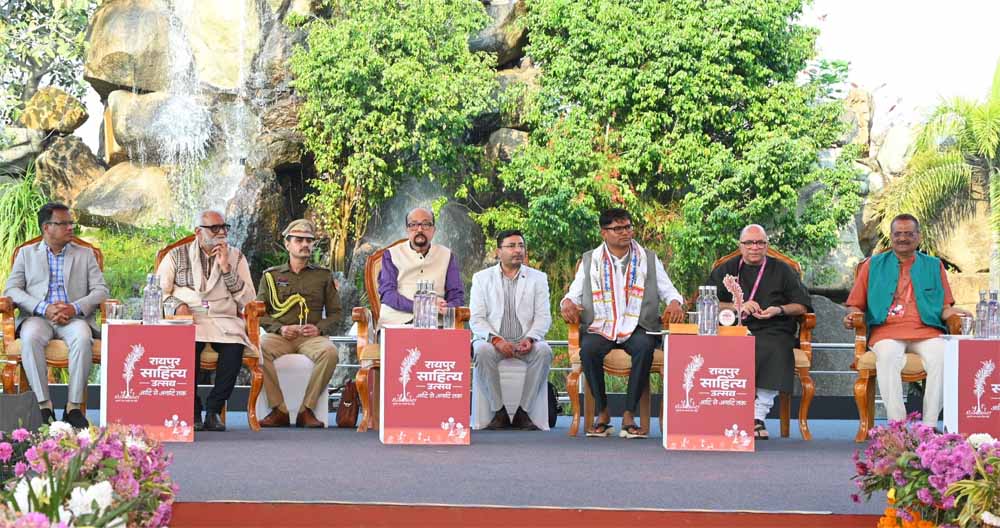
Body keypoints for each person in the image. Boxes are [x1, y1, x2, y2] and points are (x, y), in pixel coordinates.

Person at [560, 208, 685, 439]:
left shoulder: (648, 258)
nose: (625, 232)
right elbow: (573, 295)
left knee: (645, 347)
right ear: (604, 233)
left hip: (638, 325)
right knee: (588, 350)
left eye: (627, 227)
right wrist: (566, 302)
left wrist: (676, 303)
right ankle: (603, 412)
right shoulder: (591, 260)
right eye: (618, 228)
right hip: (602, 325)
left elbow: (670, 291)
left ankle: (629, 414)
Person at [842, 213, 970, 426]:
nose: (903, 238)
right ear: (891, 236)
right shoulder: (872, 265)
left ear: (918, 236)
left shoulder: (933, 265)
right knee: (888, 356)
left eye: (909, 234)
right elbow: (855, 304)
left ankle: (929, 427)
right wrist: (852, 316)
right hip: (886, 332)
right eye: (898, 234)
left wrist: (959, 315)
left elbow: (944, 308)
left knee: (943, 355)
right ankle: (898, 427)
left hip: (927, 331)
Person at [3, 202, 108, 428]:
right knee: (30, 337)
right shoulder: (26, 254)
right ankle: (44, 406)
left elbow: (101, 291)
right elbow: (11, 290)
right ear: (46, 227)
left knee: (82, 337)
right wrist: (43, 307)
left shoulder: (85, 254)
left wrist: (74, 307)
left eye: (71, 223)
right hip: (37, 318)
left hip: (74, 318)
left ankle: (73, 408)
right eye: (64, 223)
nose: (71, 227)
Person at [707, 224, 812, 440]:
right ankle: (722, 414)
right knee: (722, 346)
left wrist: (779, 309)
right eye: (749, 243)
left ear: (766, 245)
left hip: (773, 328)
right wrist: (738, 306)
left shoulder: (783, 270)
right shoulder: (726, 269)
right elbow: (707, 302)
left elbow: (802, 305)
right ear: (740, 245)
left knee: (775, 347)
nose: (754, 247)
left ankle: (757, 416)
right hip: (734, 329)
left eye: (760, 243)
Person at [158, 210, 256, 432]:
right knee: (186, 346)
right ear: (198, 232)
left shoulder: (236, 257)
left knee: (234, 348)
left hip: (224, 317)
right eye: (214, 228)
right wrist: (177, 305)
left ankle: (214, 411)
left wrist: (226, 268)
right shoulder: (176, 255)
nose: (221, 233)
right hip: (189, 318)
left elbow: (248, 299)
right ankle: (191, 410)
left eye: (224, 227)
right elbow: (159, 291)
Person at [256, 219, 342, 428]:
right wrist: (280, 328)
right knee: (258, 349)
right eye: (299, 240)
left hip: (310, 337)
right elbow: (258, 312)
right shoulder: (271, 276)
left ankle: (306, 409)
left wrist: (319, 328)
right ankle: (279, 409)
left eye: (309, 241)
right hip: (280, 336)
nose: (305, 244)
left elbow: (336, 314)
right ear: (287, 244)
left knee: (330, 352)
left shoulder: (323, 276)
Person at [469, 229, 552, 430]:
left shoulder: (538, 278)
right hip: (494, 342)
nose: (518, 250)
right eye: (512, 246)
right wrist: (496, 340)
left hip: (525, 342)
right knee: (481, 350)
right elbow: (477, 318)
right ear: (498, 251)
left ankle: (524, 411)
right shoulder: (481, 278)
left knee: (544, 351)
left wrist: (530, 339)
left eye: (521, 246)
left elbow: (543, 317)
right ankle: (499, 412)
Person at [377, 207, 464, 327]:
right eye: (413, 225)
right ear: (407, 229)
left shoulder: (447, 255)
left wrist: (446, 307)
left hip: (436, 325)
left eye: (426, 224)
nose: (419, 229)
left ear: (433, 230)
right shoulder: (391, 254)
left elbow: (456, 296)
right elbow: (387, 294)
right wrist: (423, 307)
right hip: (396, 324)